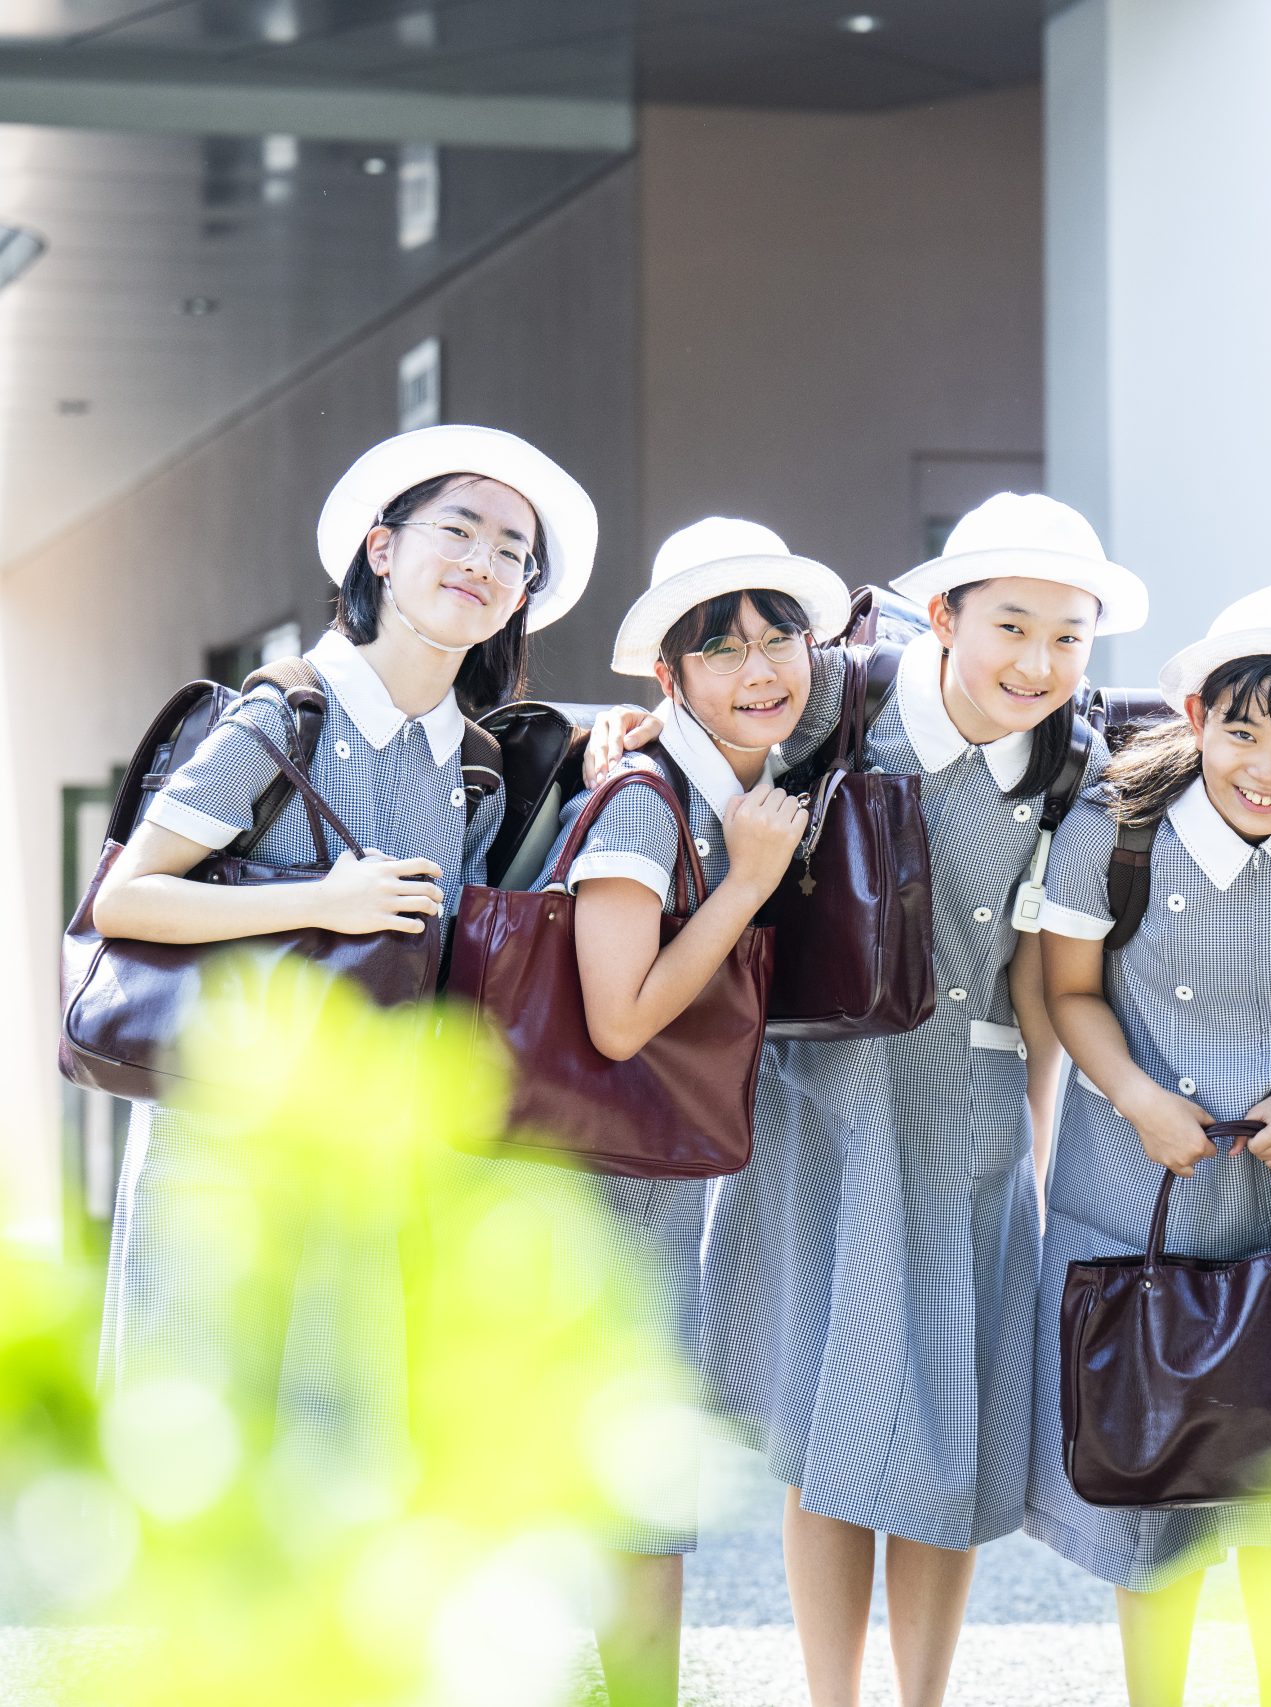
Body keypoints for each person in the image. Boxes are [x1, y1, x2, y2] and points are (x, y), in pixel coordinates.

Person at [700, 494, 1149, 1707]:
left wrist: (1039, 1150)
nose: (1038, 663)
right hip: (820, 1107)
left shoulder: (1076, 769)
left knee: (945, 1437)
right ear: (943, 614)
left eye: (1069, 637)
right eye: (1011, 626)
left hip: (972, 1117)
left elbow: (1044, 981)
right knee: (822, 1424)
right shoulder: (835, 707)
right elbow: (705, 750)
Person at [94, 424, 597, 1481]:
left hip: (372, 1161)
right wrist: (322, 898)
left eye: (513, 552)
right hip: (224, 1151)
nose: (485, 563)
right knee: (208, 1471)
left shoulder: (475, 765)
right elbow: (129, 900)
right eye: (458, 530)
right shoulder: (281, 719)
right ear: (381, 549)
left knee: (341, 1480)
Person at [1026, 584, 1271, 1707]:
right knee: (1154, 1494)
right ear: (1196, 714)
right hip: (1133, 1195)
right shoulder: (1115, 828)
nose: (1264, 766)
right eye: (1240, 730)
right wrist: (1139, 1098)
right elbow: (1069, 989)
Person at [480, 517, 833, 1706]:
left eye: (777, 639)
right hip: (575, 1193)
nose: (760, 670)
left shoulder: (738, 785)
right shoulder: (645, 800)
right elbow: (620, 1017)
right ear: (668, 675)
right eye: (722, 647)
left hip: (634, 1184)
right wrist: (744, 887)